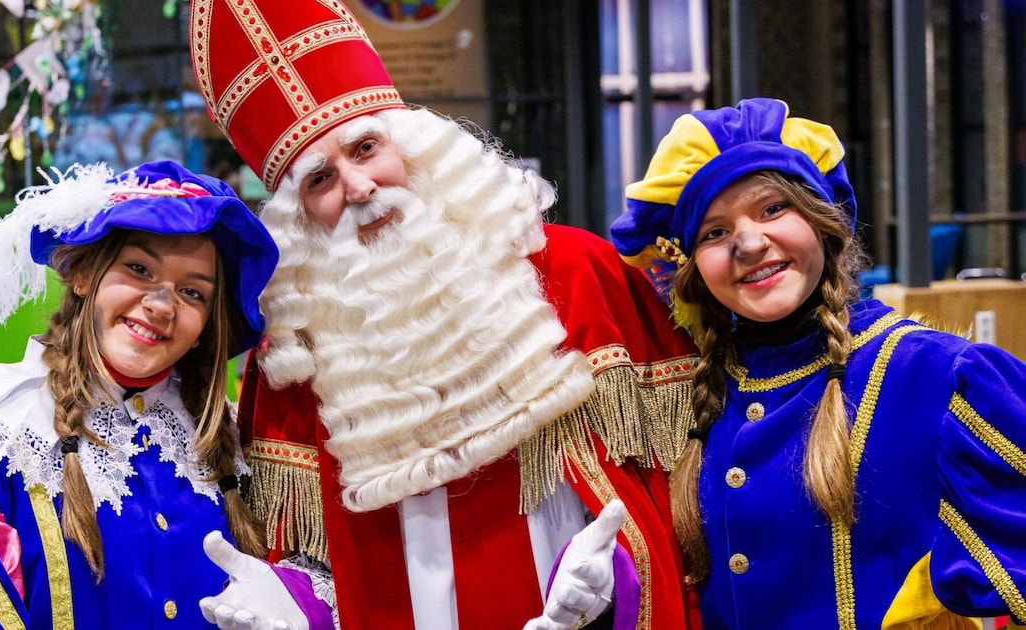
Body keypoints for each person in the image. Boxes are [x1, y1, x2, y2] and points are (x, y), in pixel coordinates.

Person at [188, 2, 702, 629]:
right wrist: (293, 606)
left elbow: (681, 486)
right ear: (299, 216)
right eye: (320, 178)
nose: (358, 187)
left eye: (366, 148)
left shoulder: (577, 271)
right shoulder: (294, 361)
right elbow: (311, 561)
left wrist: (615, 580)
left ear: (414, 147)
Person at [609, 97, 1026, 629]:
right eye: (714, 232)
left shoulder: (937, 377)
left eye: (772, 209)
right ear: (692, 269)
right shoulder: (692, 394)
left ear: (824, 223)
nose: (749, 243)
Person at [0, 160, 279, 628]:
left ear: (205, 327)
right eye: (138, 269)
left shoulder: (232, 437)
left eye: (193, 293)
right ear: (83, 275)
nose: (162, 305)